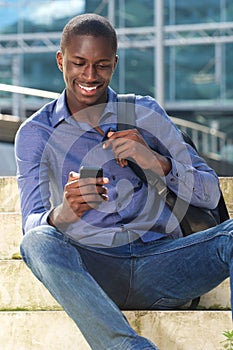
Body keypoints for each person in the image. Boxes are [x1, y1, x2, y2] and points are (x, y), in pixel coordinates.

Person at [15, 13, 233, 350]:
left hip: (166, 262)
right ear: (61, 61)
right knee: (37, 241)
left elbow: (208, 193)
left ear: (115, 63)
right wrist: (64, 213)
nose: (90, 75)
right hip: (97, 271)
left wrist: (158, 162)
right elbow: (31, 225)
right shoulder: (35, 133)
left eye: (101, 65)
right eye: (78, 63)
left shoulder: (145, 112)